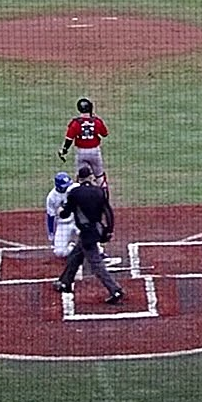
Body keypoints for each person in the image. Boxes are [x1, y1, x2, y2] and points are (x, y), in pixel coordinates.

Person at [53, 167, 125, 305]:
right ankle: (64, 282)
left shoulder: (75, 193)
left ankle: (115, 290)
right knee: (75, 256)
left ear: (78, 178)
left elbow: (65, 213)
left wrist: (60, 211)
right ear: (91, 177)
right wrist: (109, 230)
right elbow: (108, 212)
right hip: (97, 229)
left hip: (87, 233)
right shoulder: (99, 191)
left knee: (96, 264)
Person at [58, 97, 111, 196]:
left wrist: (64, 151)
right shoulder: (97, 121)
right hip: (95, 152)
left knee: (81, 178)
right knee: (99, 177)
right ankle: (104, 201)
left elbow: (69, 139)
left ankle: (80, 202)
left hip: (81, 153)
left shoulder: (75, 123)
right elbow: (105, 134)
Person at [45, 171, 77, 258]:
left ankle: (99, 250)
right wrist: (51, 232)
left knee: (91, 239)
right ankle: (73, 248)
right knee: (59, 252)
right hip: (63, 225)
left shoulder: (75, 188)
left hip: (77, 221)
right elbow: (50, 216)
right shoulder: (52, 197)